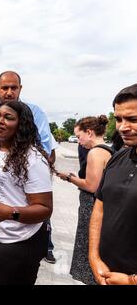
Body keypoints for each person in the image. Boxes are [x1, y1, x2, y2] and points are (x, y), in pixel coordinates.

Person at [0, 71, 56, 284]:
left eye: (8, 117)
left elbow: (45, 208)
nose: (0, 121)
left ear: (22, 124)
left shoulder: (33, 159)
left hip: (15, 242)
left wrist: (10, 212)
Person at [89, 85, 137, 285]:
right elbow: (100, 208)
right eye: (118, 119)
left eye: (133, 119)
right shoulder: (118, 158)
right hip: (104, 274)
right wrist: (94, 258)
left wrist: (131, 281)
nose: (122, 127)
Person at [57, 116, 113, 285]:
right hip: (102, 207)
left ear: (89, 133)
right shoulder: (108, 150)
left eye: (79, 136)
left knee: (89, 250)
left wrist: (69, 177)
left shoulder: (95, 152)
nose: (79, 142)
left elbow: (91, 186)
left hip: (92, 207)